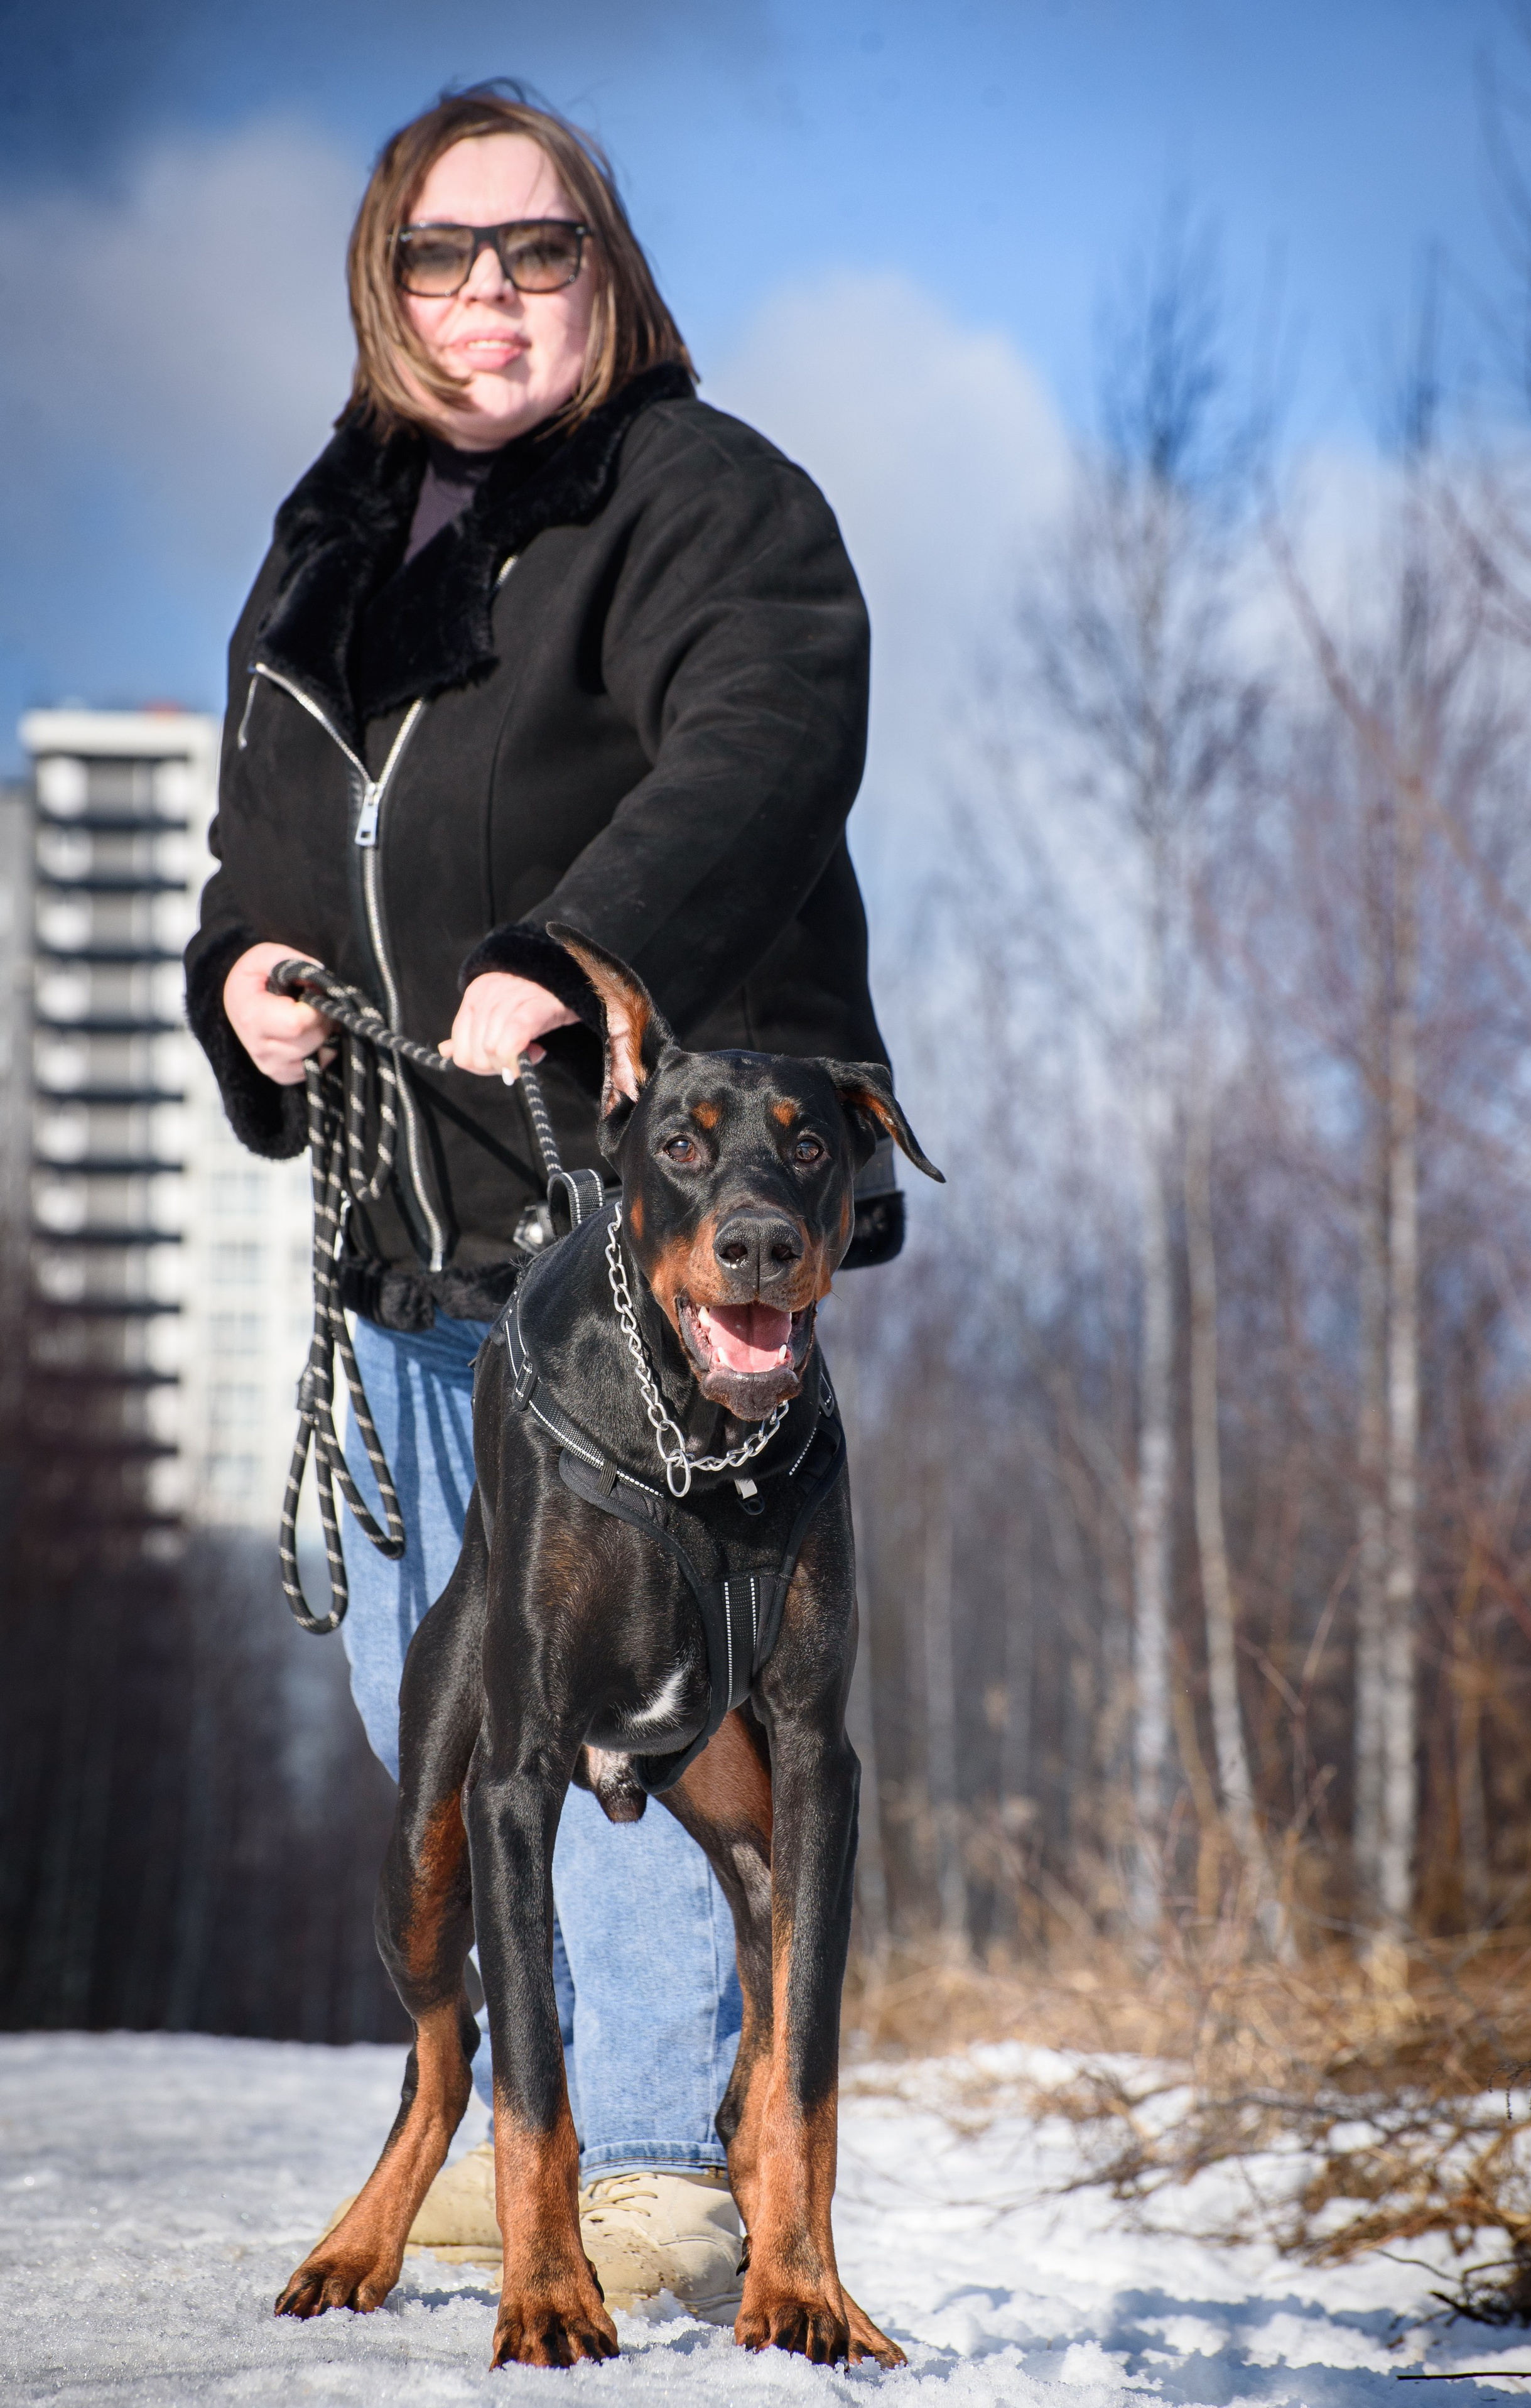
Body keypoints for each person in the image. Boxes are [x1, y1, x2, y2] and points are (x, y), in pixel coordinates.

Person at [184, 82, 894, 2319]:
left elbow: (768, 738)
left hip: (647, 1259)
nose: (486, 296)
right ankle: (509, 2125)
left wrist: (574, 952)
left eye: (538, 250)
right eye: (437, 256)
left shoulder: (703, 495)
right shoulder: (330, 536)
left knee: (675, 1721)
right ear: (382, 284)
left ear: (611, 272)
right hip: (414, 1235)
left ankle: (669, 2172)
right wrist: (244, 986)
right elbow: (266, 844)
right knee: (476, 1736)